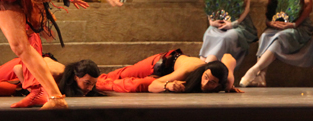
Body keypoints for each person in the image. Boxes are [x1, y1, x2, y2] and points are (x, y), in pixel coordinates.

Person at [96, 49, 240, 93]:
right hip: (161, 65)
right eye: (206, 77)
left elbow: (229, 58)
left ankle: (98, 84)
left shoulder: (223, 81)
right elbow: (154, 85)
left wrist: (230, 83)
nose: (206, 83)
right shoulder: (191, 70)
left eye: (212, 83)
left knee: (135, 86)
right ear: (203, 72)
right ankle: (95, 80)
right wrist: (167, 85)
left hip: (168, 75)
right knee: (123, 75)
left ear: (218, 84)